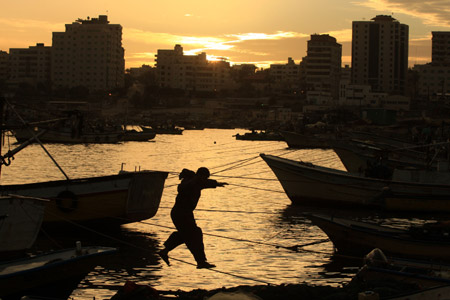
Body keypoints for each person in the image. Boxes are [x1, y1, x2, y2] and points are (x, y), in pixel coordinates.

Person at [158, 167, 227, 269]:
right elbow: (197, 184)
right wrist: (214, 183)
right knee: (195, 234)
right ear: (201, 176)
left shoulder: (195, 182)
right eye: (205, 177)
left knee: (186, 234)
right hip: (181, 214)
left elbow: (205, 183)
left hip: (182, 213)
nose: (205, 179)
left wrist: (216, 183)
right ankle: (201, 261)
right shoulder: (193, 182)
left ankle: (165, 251)